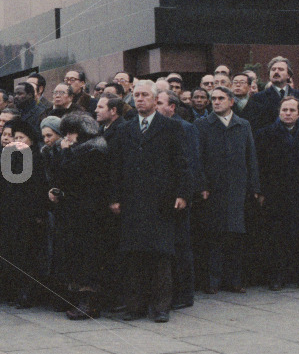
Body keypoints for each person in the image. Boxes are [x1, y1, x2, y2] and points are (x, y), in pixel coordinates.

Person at [110, 81, 192, 323]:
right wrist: (114, 197)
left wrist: (183, 194)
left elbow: (182, 163)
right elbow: (116, 166)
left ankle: (161, 307)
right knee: (134, 255)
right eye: (137, 95)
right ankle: (135, 306)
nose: (140, 99)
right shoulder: (124, 129)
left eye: (145, 95)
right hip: (132, 201)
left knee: (160, 255)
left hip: (161, 201)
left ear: (156, 100)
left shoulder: (171, 127)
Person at [195, 86, 260, 294]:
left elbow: (251, 157)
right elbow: (198, 159)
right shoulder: (203, 125)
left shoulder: (243, 125)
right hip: (213, 189)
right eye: (213, 98)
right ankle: (213, 281)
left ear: (231, 101)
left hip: (237, 189)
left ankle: (235, 280)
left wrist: (254, 186)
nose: (216, 102)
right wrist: (202, 185)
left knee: (235, 236)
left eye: (221, 98)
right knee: (214, 236)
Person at [256, 96, 299, 291]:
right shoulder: (265, 135)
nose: (288, 113)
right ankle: (277, 277)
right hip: (276, 194)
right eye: (284, 110)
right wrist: (260, 192)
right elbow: (259, 167)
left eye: (292, 110)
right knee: (277, 237)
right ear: (279, 112)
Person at [47, 113, 110, 319]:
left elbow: (69, 173)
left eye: (70, 133)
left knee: (87, 257)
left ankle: (89, 302)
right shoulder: (81, 148)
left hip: (88, 211)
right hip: (73, 209)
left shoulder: (93, 149)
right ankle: (74, 296)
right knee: (73, 254)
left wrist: (65, 153)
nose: (67, 137)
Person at [0, 119, 48, 308]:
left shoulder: (36, 157)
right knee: (13, 253)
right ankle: (15, 291)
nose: (17, 141)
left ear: (31, 139)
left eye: (21, 138)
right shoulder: (10, 156)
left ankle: (28, 293)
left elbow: (39, 189)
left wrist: (37, 213)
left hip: (28, 215)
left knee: (27, 255)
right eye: (15, 137)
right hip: (10, 212)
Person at [156, 90, 202, 310]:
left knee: (181, 245)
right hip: (164, 197)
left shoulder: (185, 128)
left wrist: (184, 193)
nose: (156, 107)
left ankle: (184, 294)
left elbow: (190, 163)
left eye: (160, 103)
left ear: (172, 107)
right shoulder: (158, 127)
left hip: (179, 197)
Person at [244, 56, 299, 130]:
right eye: (273, 69)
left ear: (288, 75)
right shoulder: (258, 98)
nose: (276, 72)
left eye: (281, 69)